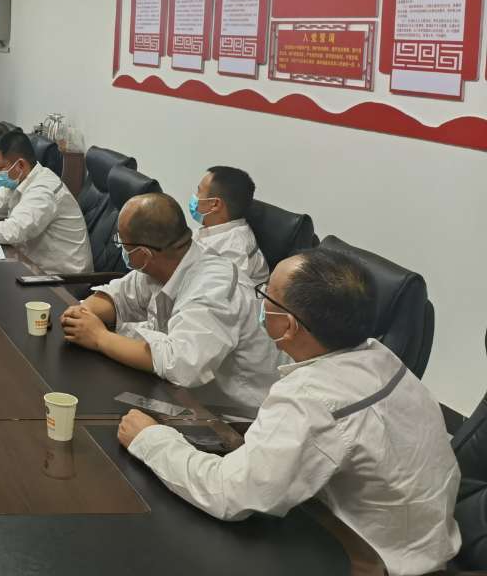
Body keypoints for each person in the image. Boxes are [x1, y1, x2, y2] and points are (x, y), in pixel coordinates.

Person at [118, 247, 461, 576]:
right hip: (416, 542)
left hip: (368, 558)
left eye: (266, 295)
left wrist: (150, 439)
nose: (260, 302)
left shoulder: (313, 397)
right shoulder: (382, 357)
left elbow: (229, 495)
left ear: (287, 325)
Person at [61, 193, 279, 410]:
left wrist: (99, 337)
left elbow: (180, 364)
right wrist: (82, 313)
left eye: (122, 243)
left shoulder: (213, 287)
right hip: (181, 393)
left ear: (144, 254)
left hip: (236, 413)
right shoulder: (166, 260)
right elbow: (119, 296)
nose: (122, 249)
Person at [0, 130, 92, 275]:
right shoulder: (20, 179)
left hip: (63, 280)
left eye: (0, 166)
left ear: (20, 165)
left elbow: (13, 231)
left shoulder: (44, 190)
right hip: (30, 266)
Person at [191, 165, 268, 284]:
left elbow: (213, 291)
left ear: (215, 204)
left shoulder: (235, 250)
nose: (195, 197)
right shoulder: (214, 228)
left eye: (199, 191)